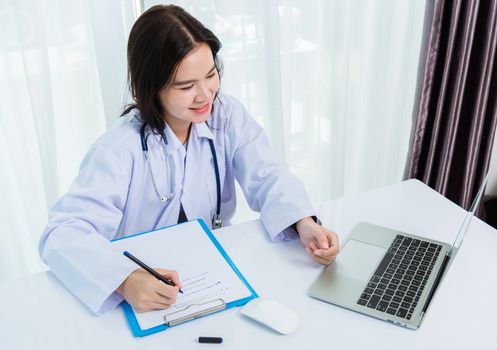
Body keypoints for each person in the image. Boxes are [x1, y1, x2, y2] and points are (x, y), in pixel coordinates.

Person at [39, 4, 339, 316]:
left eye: (211, 75)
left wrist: (303, 221)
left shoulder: (226, 115)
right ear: (152, 87)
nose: (205, 95)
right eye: (186, 86)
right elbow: (62, 233)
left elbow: (268, 174)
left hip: (213, 276)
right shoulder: (119, 149)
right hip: (149, 287)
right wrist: (126, 280)